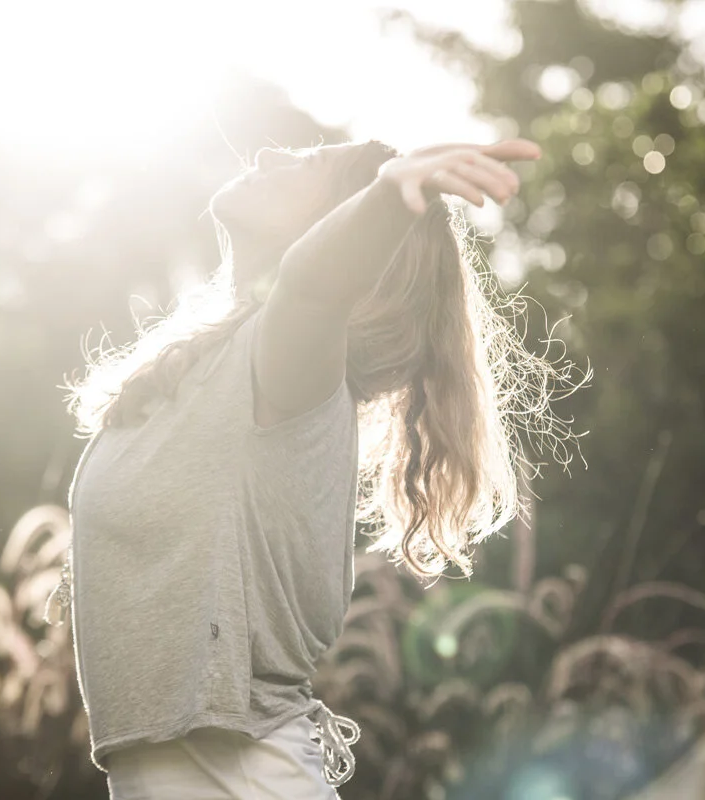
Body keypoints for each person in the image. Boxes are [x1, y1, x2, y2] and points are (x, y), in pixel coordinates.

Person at [49, 137, 570, 798]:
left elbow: (312, 286)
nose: (268, 155)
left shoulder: (289, 367)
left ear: (339, 235)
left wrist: (386, 196)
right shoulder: (213, 368)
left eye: (308, 165)